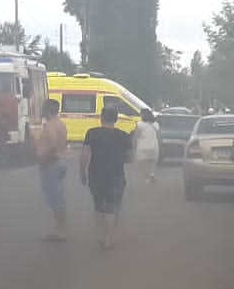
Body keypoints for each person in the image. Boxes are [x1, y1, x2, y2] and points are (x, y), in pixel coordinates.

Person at [79, 106, 133, 250]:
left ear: (101, 118)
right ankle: (109, 238)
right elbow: (130, 158)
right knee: (112, 207)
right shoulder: (124, 135)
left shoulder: (92, 133)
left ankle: (101, 235)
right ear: (116, 119)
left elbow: (84, 154)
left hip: (95, 174)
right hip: (116, 175)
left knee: (98, 205)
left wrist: (82, 172)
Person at [34, 98, 69, 241]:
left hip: (51, 164)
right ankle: (59, 229)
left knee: (55, 199)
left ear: (47, 110)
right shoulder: (61, 124)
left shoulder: (50, 126)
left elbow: (53, 146)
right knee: (58, 197)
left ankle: (60, 231)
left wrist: (44, 161)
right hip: (60, 162)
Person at [133, 108, 161, 186]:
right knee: (153, 162)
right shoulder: (156, 124)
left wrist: (133, 146)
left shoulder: (139, 124)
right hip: (154, 146)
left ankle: (147, 178)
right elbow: (159, 136)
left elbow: (135, 136)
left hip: (142, 146)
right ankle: (152, 174)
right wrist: (160, 145)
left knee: (143, 163)